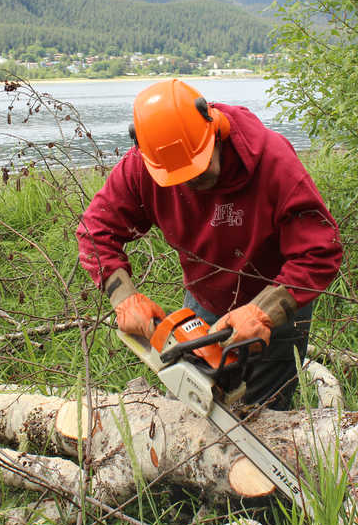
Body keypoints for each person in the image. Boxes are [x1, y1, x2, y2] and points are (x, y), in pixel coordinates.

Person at [76, 79, 342, 410]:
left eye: (197, 171)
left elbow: (320, 249)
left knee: (269, 416)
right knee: (199, 407)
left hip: (279, 299)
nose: (189, 183)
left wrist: (264, 312)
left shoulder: (271, 159)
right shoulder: (144, 165)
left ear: (215, 129)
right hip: (205, 301)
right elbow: (95, 229)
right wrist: (123, 297)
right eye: (177, 177)